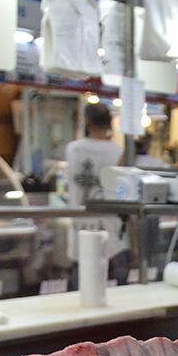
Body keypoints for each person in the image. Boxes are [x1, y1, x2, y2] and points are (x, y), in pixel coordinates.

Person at [65, 102, 127, 282]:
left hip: (79, 229)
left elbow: (69, 181)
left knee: (82, 289)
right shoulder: (118, 151)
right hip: (108, 230)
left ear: (87, 121)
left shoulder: (73, 149)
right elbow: (122, 190)